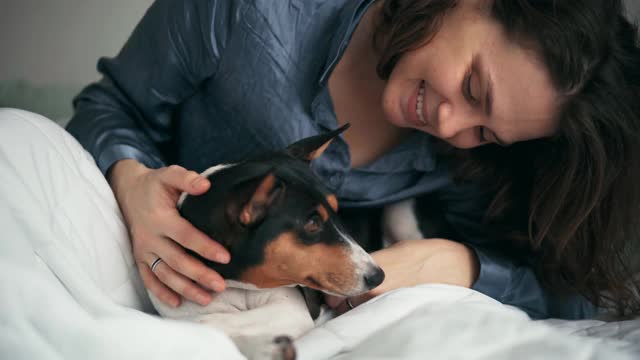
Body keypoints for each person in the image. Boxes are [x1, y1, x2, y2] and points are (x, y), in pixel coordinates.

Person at [65, 0, 640, 319]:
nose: (449, 125)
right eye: (473, 86)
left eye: (486, 131)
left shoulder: (459, 159)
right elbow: (110, 105)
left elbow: (575, 292)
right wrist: (131, 179)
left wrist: (458, 263)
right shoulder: (248, 11)